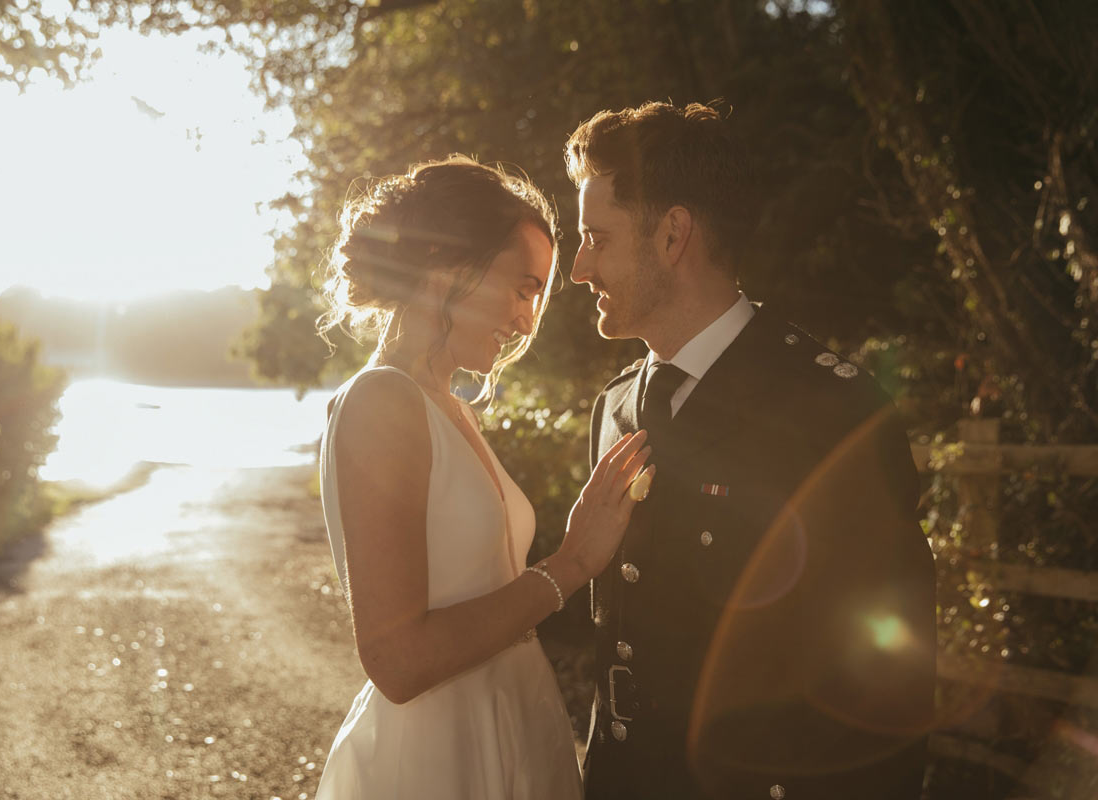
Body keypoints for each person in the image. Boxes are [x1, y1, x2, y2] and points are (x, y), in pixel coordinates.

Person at [565, 101, 937, 799]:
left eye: (597, 238)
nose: (579, 268)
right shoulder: (613, 406)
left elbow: (891, 685)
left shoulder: (833, 411)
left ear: (674, 234)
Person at [315, 155, 653, 799]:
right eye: (523, 287)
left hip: (514, 721)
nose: (528, 320)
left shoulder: (451, 407)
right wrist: (572, 563)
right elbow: (398, 661)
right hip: (439, 757)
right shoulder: (381, 401)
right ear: (446, 264)